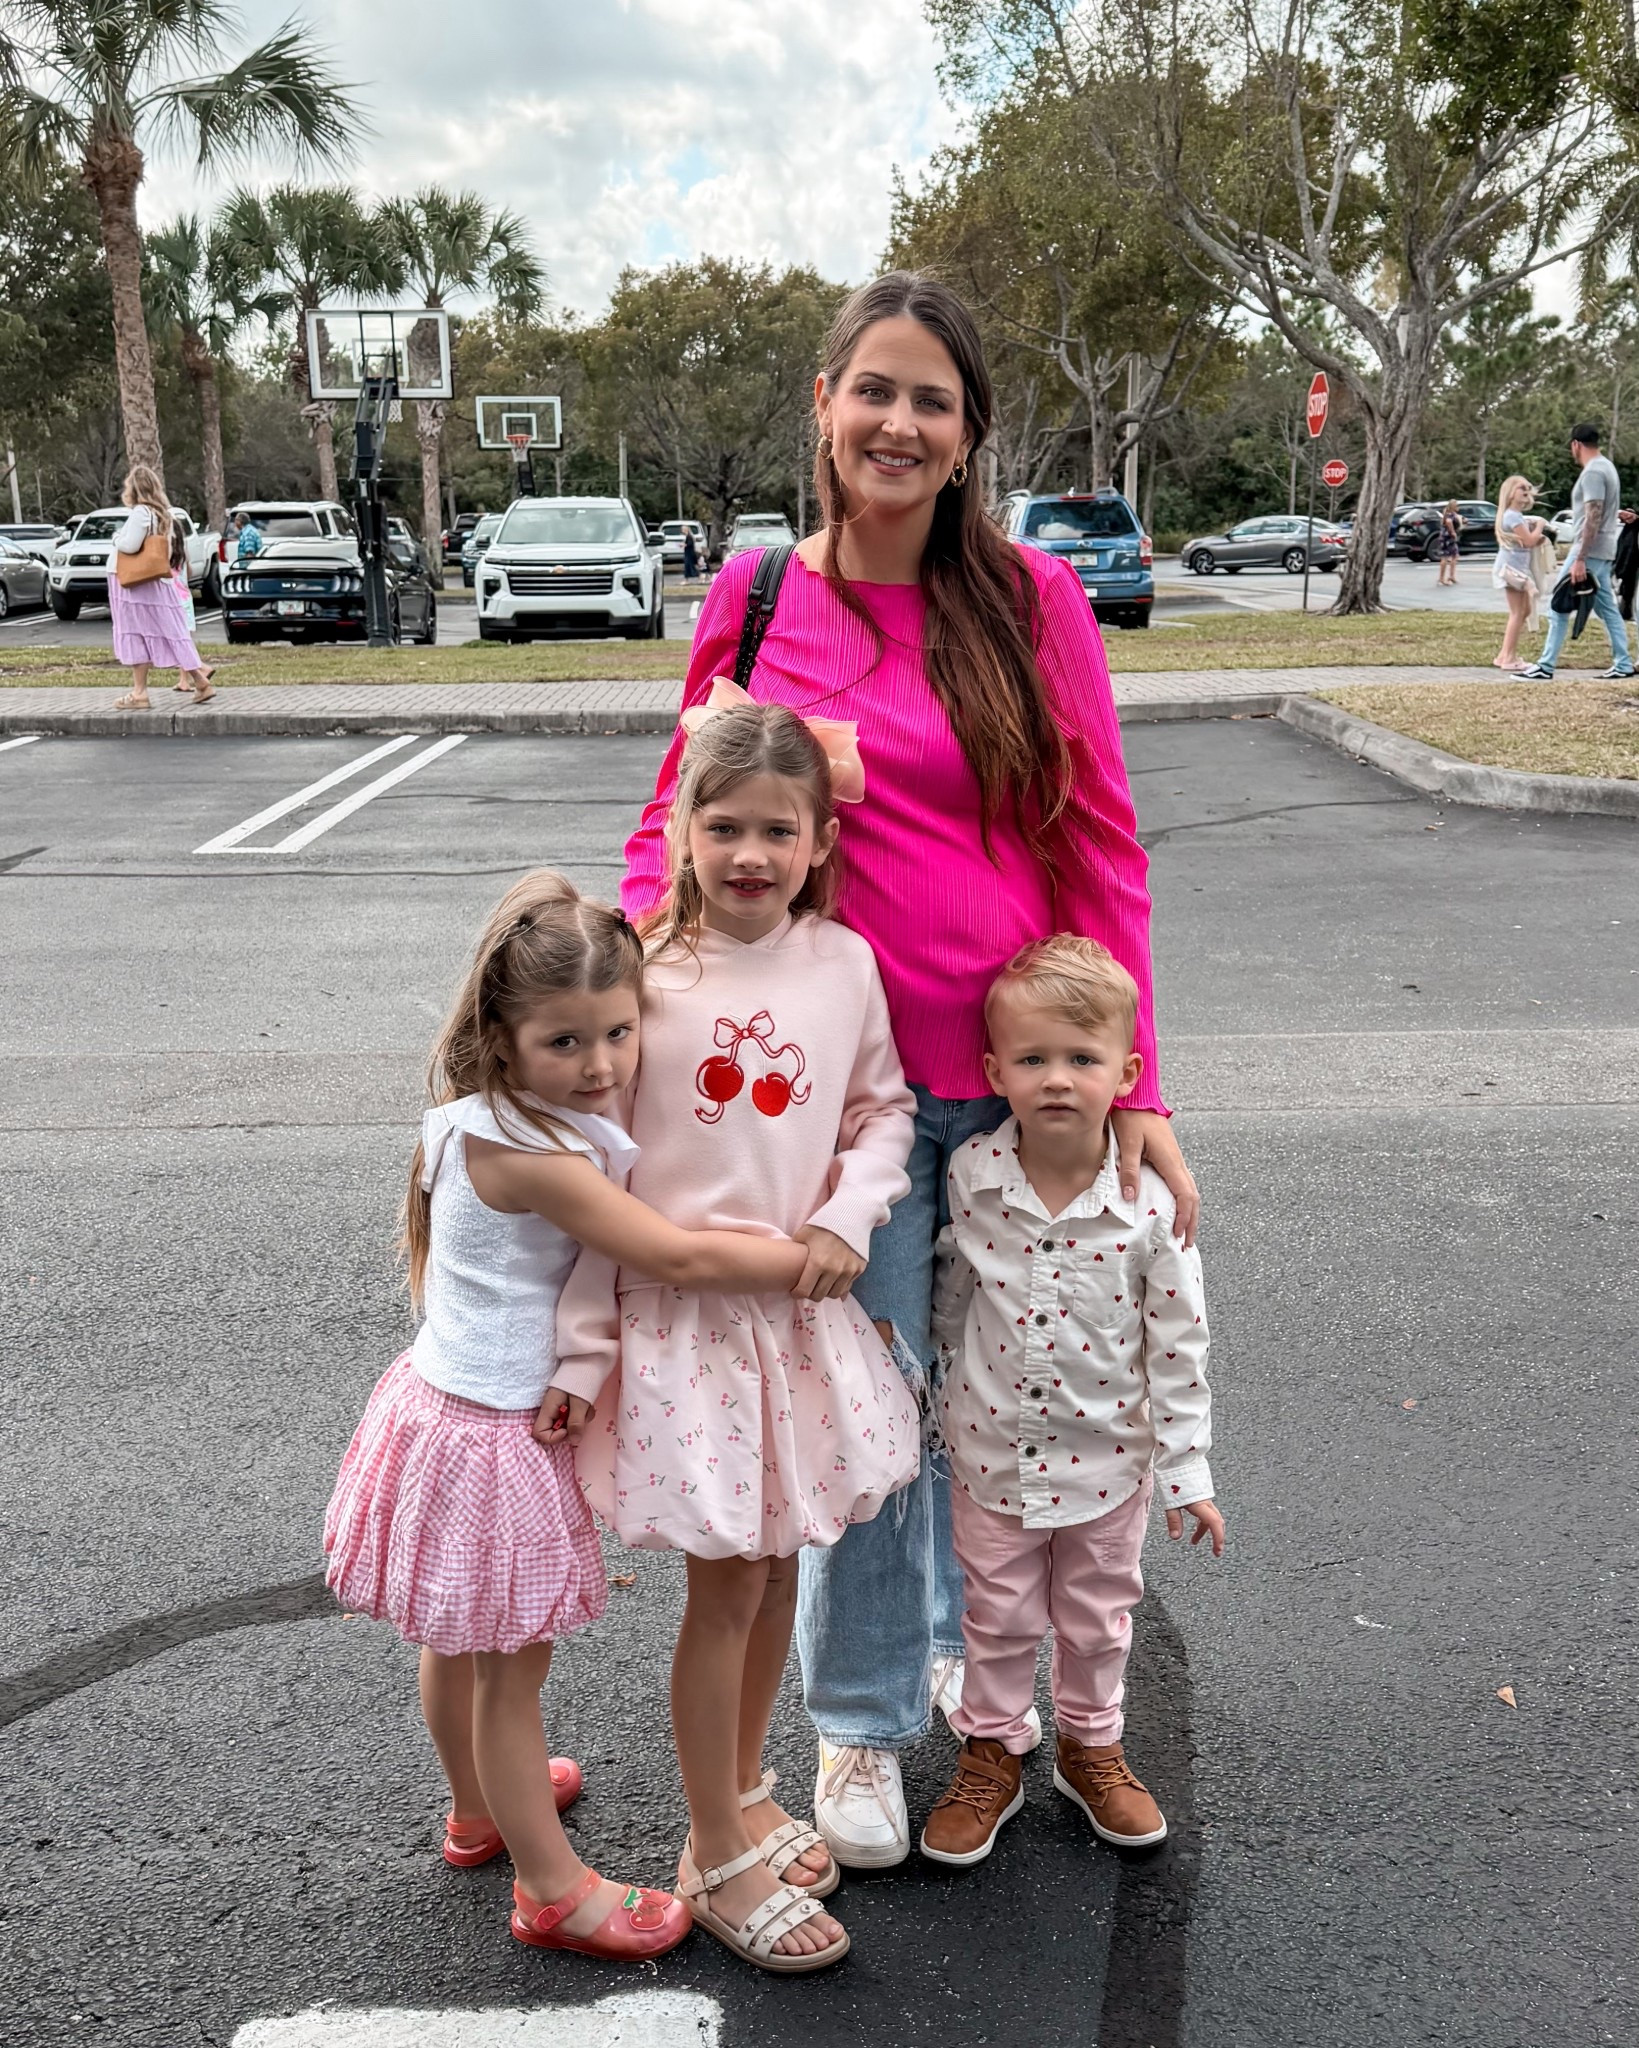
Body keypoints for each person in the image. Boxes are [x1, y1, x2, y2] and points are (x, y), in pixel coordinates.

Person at [620, 271, 1195, 1874]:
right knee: (866, 1419)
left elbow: (1099, 847)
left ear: (965, 440)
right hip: (829, 1103)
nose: (897, 421)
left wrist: (1131, 1078)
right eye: (872, 388)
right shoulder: (748, 602)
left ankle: (973, 1651)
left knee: (999, 1405)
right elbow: (670, 825)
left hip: (1016, 1088)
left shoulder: (1032, 607)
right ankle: (863, 1724)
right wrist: (614, 1028)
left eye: (931, 400)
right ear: (822, 405)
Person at [323, 870, 819, 1963]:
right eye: (564, 1041)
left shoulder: (466, 1118)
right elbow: (674, 1252)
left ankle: (477, 1809)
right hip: (496, 1435)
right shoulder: (536, 1158)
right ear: (503, 1040)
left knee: (461, 1644)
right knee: (511, 1667)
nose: (599, 1063)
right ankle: (550, 1888)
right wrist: (815, 1252)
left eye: (618, 1030)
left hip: (438, 1406)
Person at [549, 696, 921, 1973]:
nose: (750, 852)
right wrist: (585, 1345)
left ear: (820, 840)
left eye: (779, 828)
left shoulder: (843, 963)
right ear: (683, 831)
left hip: (800, 1315)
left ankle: (749, 1782)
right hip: (685, 1331)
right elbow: (596, 1167)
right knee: (726, 1584)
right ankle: (714, 1848)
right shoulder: (642, 976)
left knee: (773, 1572)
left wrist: (852, 1215)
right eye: (725, 826)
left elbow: (881, 1110)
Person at [920, 937, 1222, 1867]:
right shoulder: (971, 1175)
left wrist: (1186, 1474)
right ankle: (994, 1746)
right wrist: (934, 1407)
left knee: (1097, 1615)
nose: (1057, 1079)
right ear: (992, 1071)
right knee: (996, 1616)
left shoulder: (1146, 1210)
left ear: (1126, 1073)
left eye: (1082, 1060)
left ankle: (1092, 1745)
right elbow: (951, 1297)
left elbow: (1177, 1347)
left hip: (1109, 1467)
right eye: (1033, 1059)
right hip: (990, 1454)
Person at [1517, 424, 1635, 681]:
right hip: (1604, 549)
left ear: (1576, 445)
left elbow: (1593, 514)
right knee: (1607, 609)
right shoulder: (1608, 467)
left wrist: (1580, 558)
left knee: (1558, 605)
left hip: (1588, 551)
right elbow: (1599, 510)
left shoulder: (1592, 472)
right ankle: (1623, 663)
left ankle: (1545, 666)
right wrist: (1616, 514)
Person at [107, 464, 213, 711]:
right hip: (155, 580)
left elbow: (130, 545)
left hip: (133, 583)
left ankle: (139, 692)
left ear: (133, 489)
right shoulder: (163, 514)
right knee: (168, 630)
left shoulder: (140, 513)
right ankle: (199, 680)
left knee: (134, 633)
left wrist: (116, 538)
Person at [1491, 476, 1550, 671]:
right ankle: (1509, 658)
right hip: (1512, 569)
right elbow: (1529, 541)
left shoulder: (1514, 516)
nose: (1525, 491)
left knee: (1524, 611)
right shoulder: (1513, 516)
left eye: (1527, 488)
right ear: (1510, 493)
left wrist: (1536, 536)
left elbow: (1525, 541)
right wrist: (1540, 526)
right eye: (1520, 488)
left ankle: (1504, 655)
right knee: (1518, 613)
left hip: (1515, 567)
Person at [166, 520, 215, 701]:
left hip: (172, 599)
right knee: (183, 639)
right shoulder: (182, 552)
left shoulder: (167, 552)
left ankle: (201, 668)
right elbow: (189, 572)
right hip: (185, 597)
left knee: (176, 640)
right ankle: (184, 680)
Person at [1436, 500, 1462, 586]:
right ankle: (1441, 579)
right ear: (1453, 506)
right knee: (1445, 557)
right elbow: (1448, 522)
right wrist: (1453, 532)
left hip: (1447, 538)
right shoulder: (1450, 514)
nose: (1458, 506)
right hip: (1447, 538)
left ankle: (1451, 576)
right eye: (1457, 505)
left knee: (1455, 555)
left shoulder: (1449, 513)